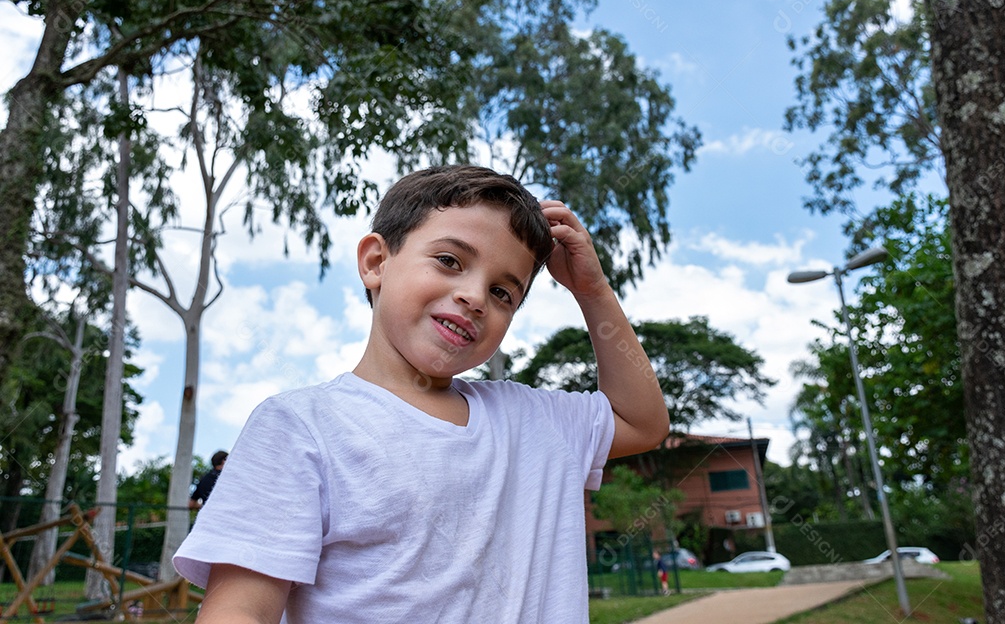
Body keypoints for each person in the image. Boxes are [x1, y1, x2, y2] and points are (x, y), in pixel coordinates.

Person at [173, 165, 669, 623]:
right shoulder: (300, 427)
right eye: (450, 260)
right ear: (375, 262)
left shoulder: (536, 421)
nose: (475, 297)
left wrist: (593, 290)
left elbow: (643, 423)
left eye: (503, 292)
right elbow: (238, 612)